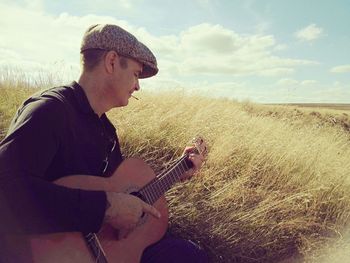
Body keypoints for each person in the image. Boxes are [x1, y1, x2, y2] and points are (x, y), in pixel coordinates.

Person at [0, 24, 207, 262]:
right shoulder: (49, 111)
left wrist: (177, 171)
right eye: (136, 74)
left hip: (104, 253)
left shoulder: (105, 130)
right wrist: (105, 208)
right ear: (111, 62)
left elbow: (116, 190)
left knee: (187, 253)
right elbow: (5, 191)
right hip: (44, 254)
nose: (138, 85)